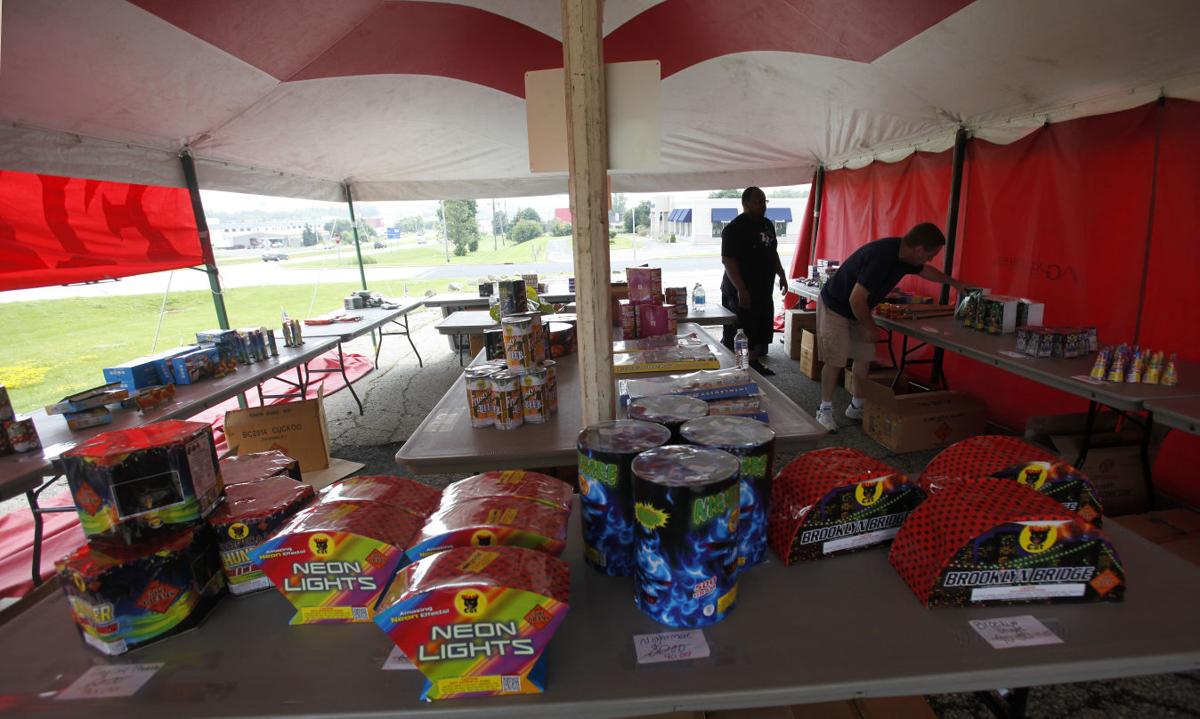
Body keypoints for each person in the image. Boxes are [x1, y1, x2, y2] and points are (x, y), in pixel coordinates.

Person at [814, 222, 968, 432]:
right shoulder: (881, 258)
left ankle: (856, 406)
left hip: (858, 308)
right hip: (836, 306)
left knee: (864, 355)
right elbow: (856, 300)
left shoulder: (905, 257)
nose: (930, 259)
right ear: (919, 249)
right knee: (835, 359)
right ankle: (825, 410)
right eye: (930, 254)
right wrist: (871, 328)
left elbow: (925, 271)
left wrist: (954, 283)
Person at [720, 187, 787, 375]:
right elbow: (728, 260)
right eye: (758, 201)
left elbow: (772, 251)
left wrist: (781, 274)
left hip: (763, 288)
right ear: (746, 203)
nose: (763, 205)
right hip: (739, 288)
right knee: (740, 328)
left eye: (765, 201)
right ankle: (733, 367)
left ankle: (754, 363)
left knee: (759, 326)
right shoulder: (734, 228)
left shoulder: (767, 224)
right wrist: (741, 289)